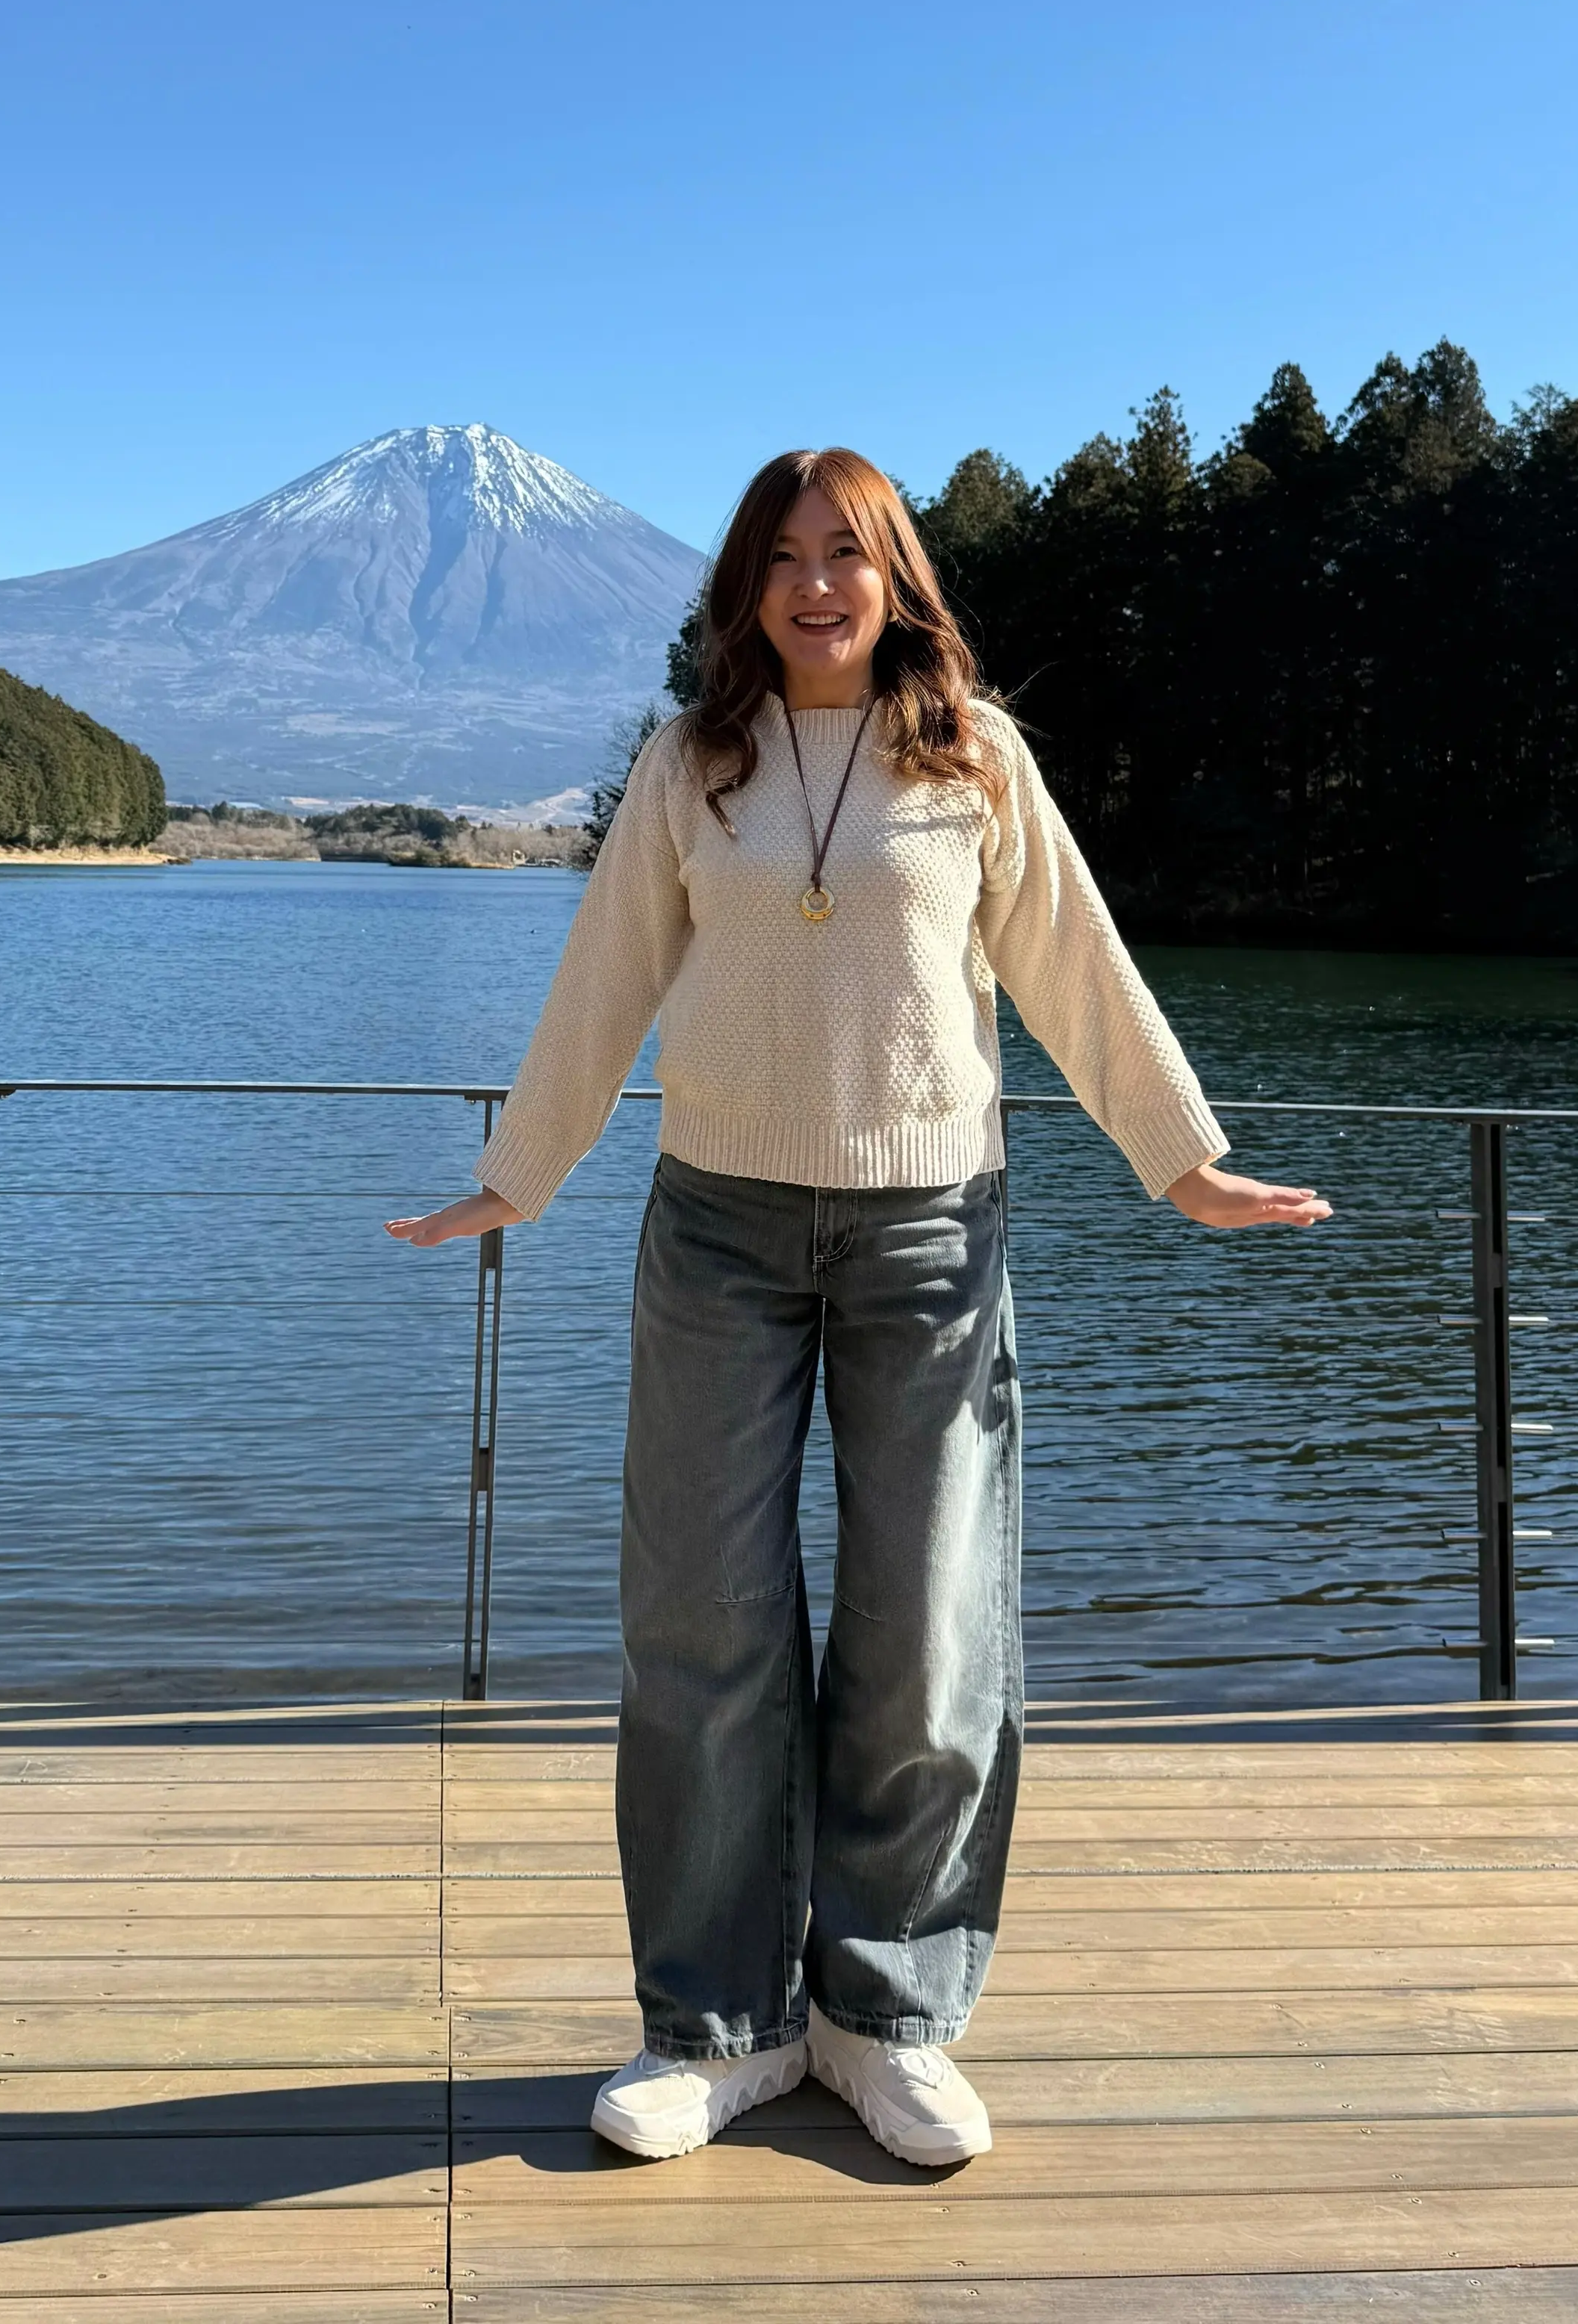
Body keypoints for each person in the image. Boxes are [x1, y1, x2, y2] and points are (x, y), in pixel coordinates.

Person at [387, 446, 1329, 2169]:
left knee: (931, 1631)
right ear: (745, 585)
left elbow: (1075, 965)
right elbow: (605, 977)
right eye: (785, 555)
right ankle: (719, 2027)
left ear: (896, 575)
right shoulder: (693, 761)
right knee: (703, 1625)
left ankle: (886, 2016)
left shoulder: (976, 758)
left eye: (850, 551)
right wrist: (519, 1174)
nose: (818, 581)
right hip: (718, 1236)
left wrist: (1182, 1161)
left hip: (927, 1235)